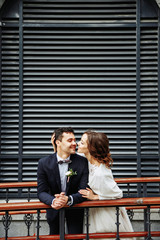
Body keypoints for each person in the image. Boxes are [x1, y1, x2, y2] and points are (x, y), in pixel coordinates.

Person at [78, 130, 135, 240]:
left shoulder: (101, 173)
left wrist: (96, 197)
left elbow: (118, 194)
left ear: (91, 148)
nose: (78, 144)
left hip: (106, 215)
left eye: (82, 142)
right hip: (94, 212)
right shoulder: (87, 160)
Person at [37, 127, 88, 235]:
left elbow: (83, 190)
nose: (74, 143)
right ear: (58, 142)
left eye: (74, 140)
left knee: (76, 237)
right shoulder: (44, 163)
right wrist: (53, 201)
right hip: (53, 210)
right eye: (70, 140)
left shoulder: (82, 162)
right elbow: (41, 191)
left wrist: (68, 199)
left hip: (75, 208)